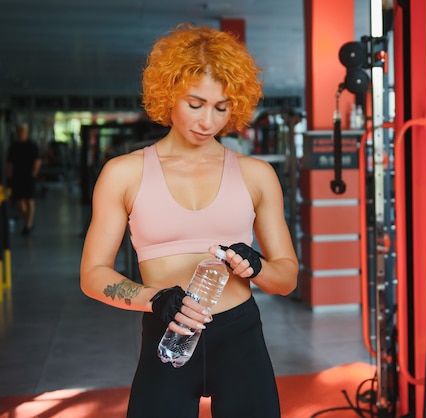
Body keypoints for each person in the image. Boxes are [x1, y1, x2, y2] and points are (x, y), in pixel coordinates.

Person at [79, 23, 299, 418]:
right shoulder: (124, 173)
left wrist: (257, 266)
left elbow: (286, 278)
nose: (208, 121)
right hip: (167, 333)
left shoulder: (256, 174)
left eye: (222, 107)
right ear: (169, 93)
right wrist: (156, 299)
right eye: (195, 104)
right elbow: (92, 275)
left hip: (241, 337)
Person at [6, 123, 41, 236]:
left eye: (23, 131)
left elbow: (37, 161)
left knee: (30, 200)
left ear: (27, 132)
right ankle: (28, 221)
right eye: (19, 131)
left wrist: (33, 175)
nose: (21, 133)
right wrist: (9, 177)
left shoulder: (32, 146)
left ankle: (28, 225)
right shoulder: (14, 147)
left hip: (29, 177)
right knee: (19, 201)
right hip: (17, 177)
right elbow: (9, 164)